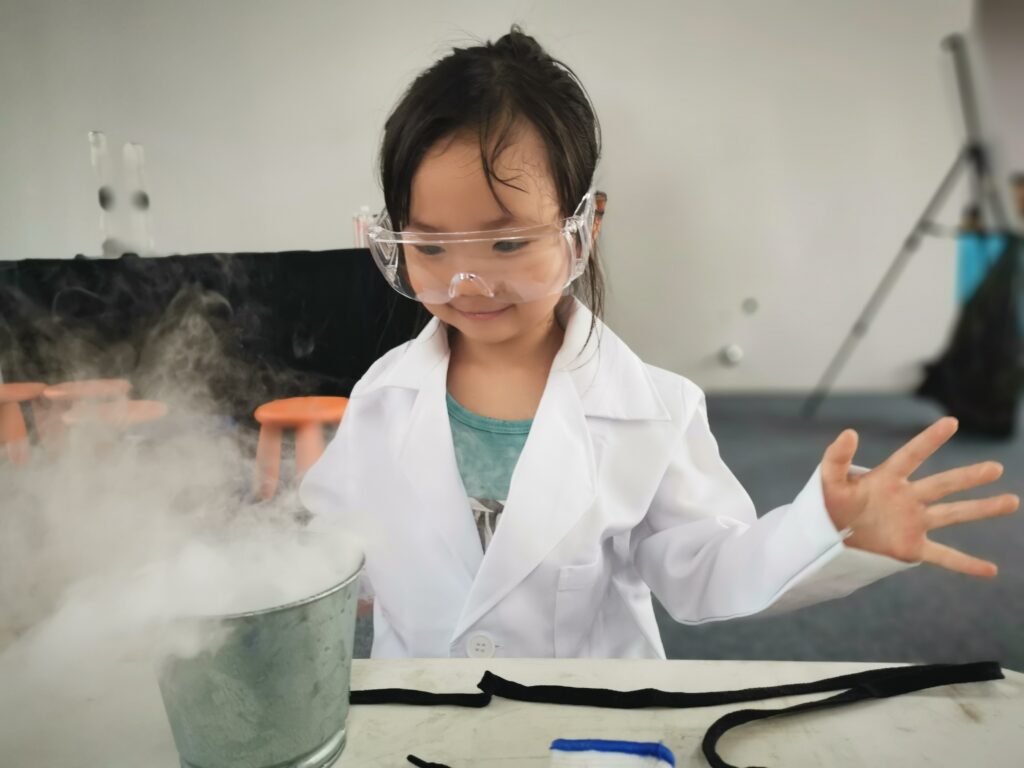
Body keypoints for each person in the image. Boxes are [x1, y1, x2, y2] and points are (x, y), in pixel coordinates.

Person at [300, 27, 1018, 659]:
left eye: (509, 241)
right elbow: (333, 552)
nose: (469, 283)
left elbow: (707, 567)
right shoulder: (383, 396)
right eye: (429, 248)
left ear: (586, 224)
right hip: (424, 719)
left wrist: (824, 531)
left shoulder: (653, 411)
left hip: (576, 727)